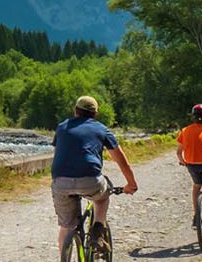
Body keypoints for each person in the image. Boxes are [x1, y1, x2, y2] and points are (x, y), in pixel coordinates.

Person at [50, 95, 137, 252]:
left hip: (60, 181)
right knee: (103, 197)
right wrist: (131, 184)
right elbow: (121, 161)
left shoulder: (62, 127)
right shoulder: (101, 129)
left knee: (66, 226)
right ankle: (97, 233)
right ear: (95, 114)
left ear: (75, 111)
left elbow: (57, 154)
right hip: (90, 180)